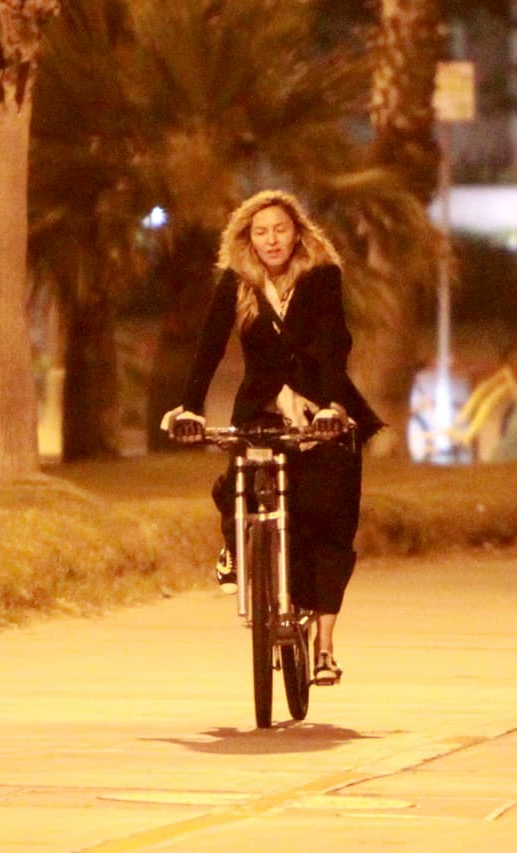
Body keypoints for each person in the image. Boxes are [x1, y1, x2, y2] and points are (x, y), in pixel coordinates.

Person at [162, 189, 383, 686]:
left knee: (329, 518)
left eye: (280, 229)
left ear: (297, 232)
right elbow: (210, 345)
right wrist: (190, 406)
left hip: (322, 408)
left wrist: (332, 406)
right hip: (261, 407)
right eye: (261, 232)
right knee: (236, 482)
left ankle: (324, 646)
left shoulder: (322, 276)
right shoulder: (237, 281)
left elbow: (334, 342)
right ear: (248, 238)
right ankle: (235, 547)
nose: (272, 239)